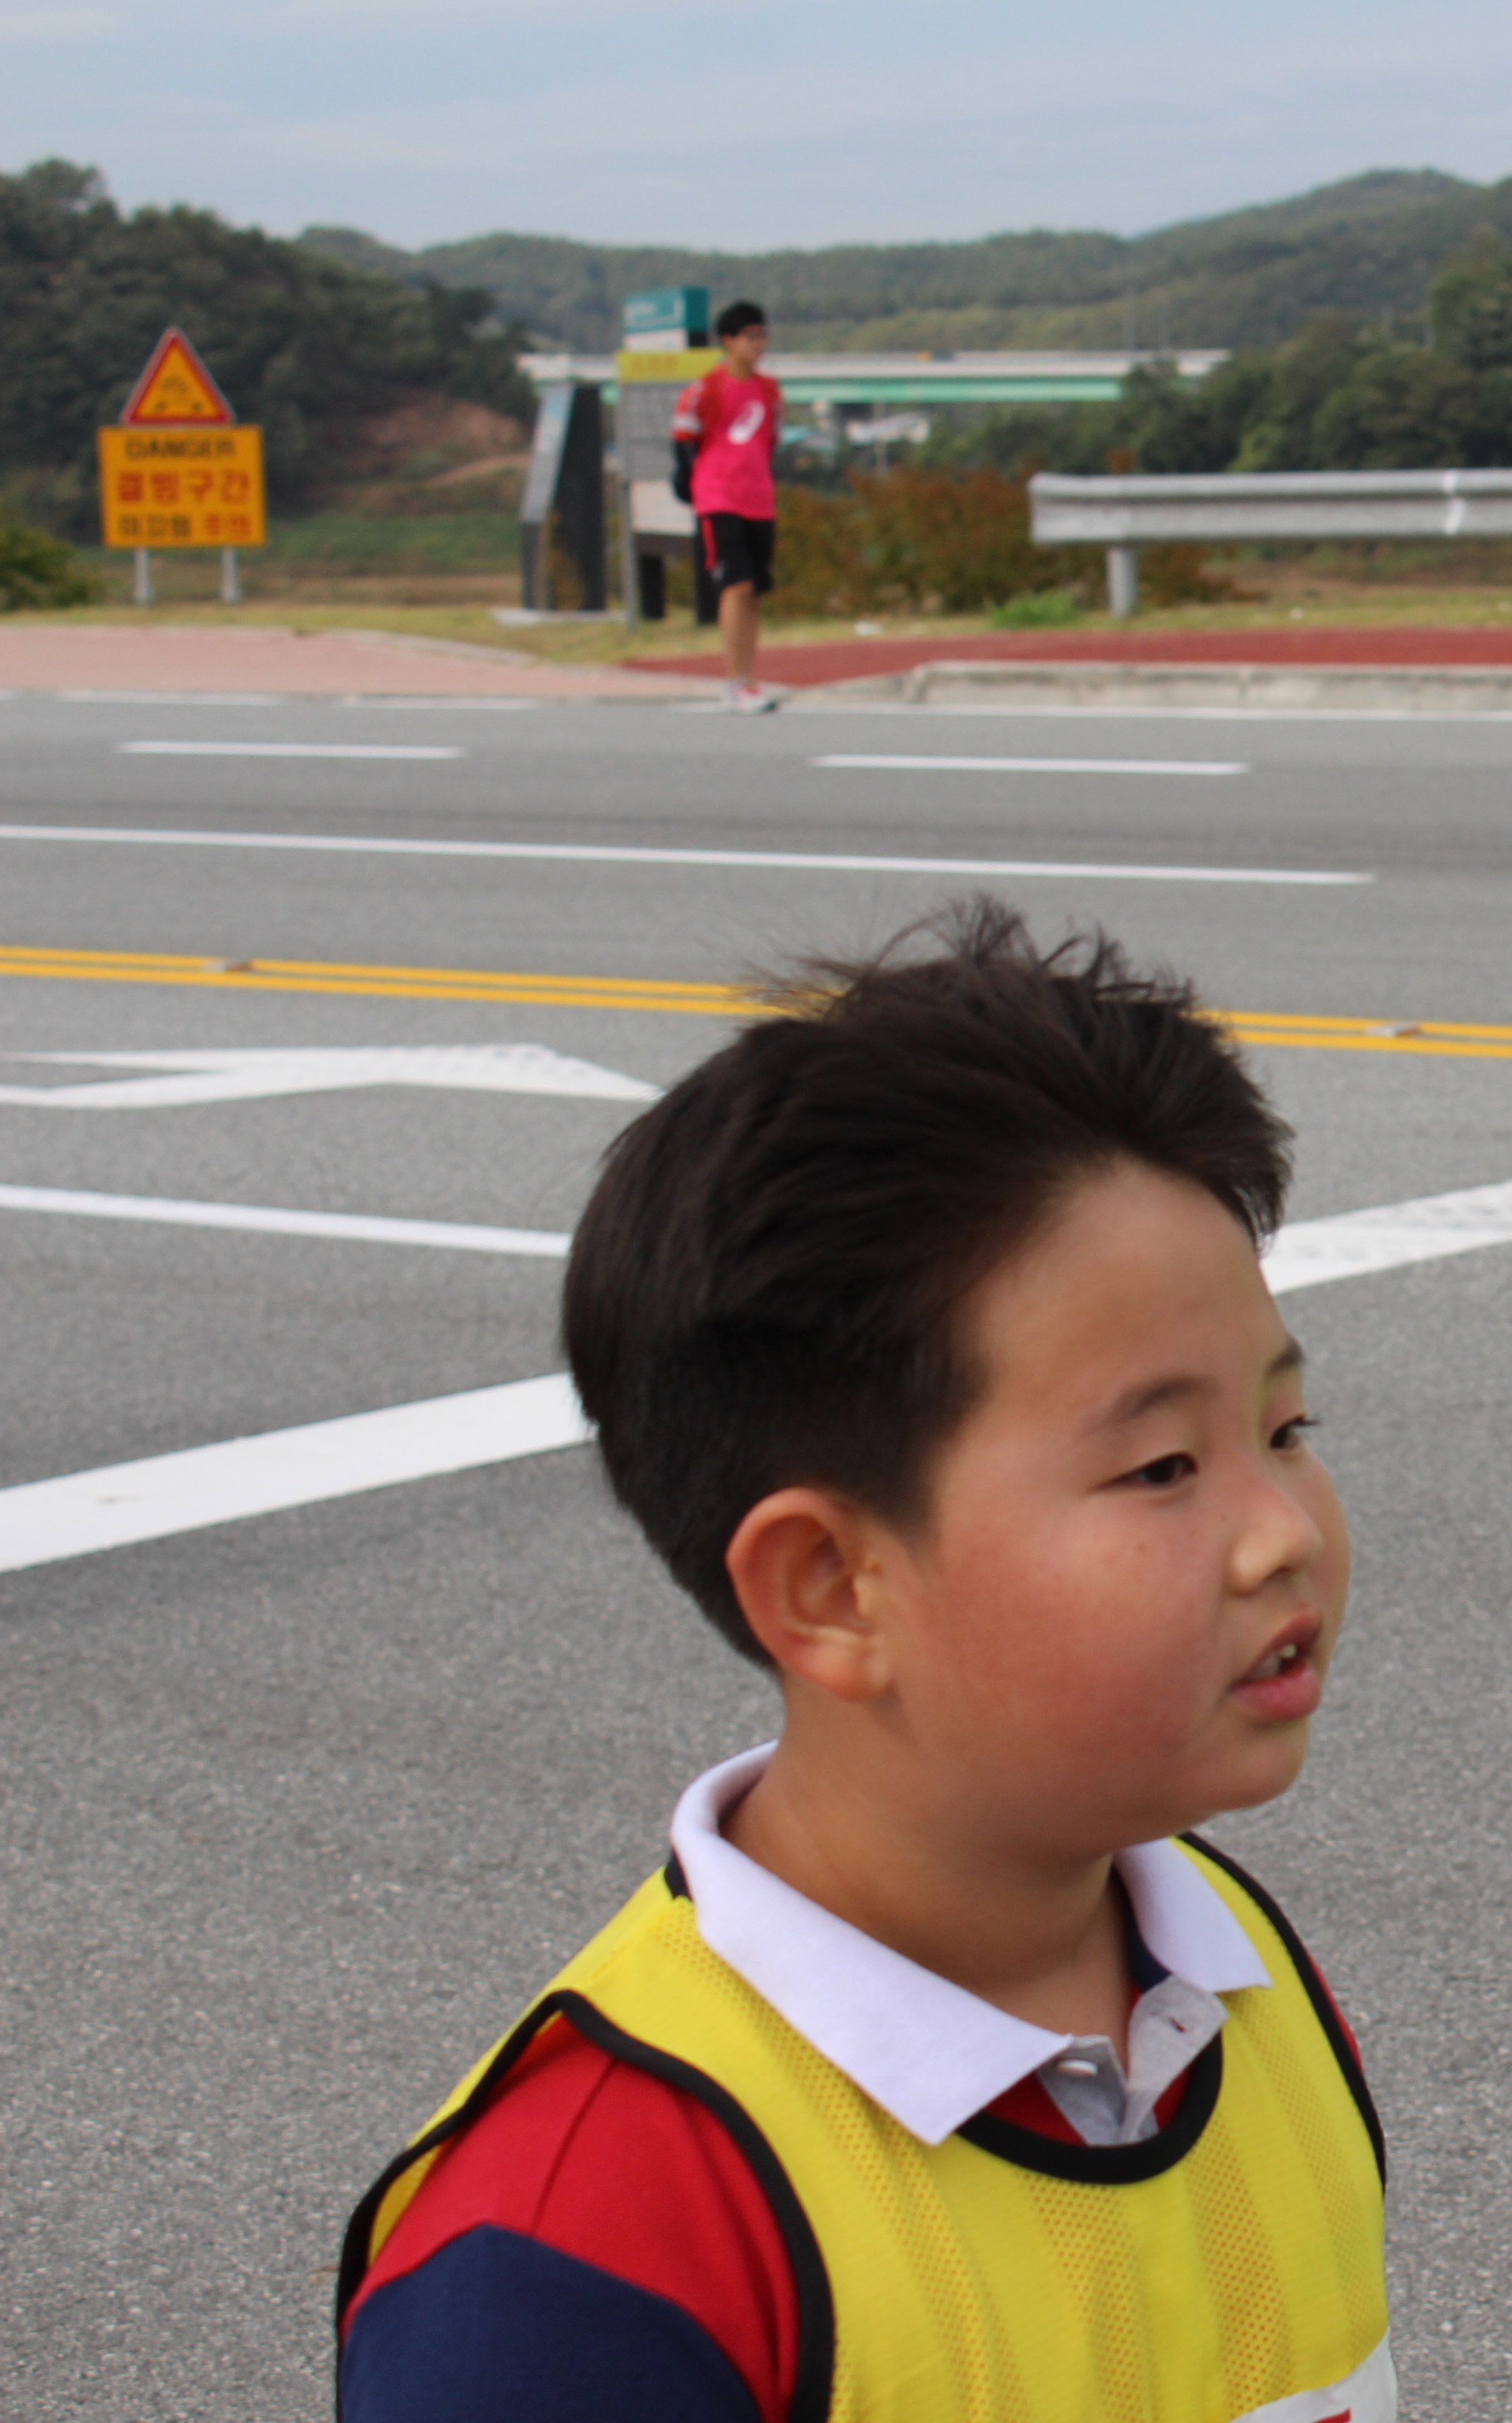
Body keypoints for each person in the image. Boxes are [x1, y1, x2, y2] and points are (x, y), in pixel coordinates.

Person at [334, 899, 1390, 2423]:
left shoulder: (1239, 1975)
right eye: (1162, 1466)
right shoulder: (579, 2258)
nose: (1280, 1532)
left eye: (1286, 1429)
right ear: (829, 1588)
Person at [674, 300, 783, 713]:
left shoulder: (769, 391)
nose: (758, 345)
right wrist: (693, 485)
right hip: (719, 496)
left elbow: (769, 441)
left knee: (754, 591)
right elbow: (684, 440)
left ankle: (750, 678)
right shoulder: (706, 389)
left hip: (759, 499)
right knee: (735, 586)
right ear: (728, 341)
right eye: (750, 337)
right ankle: (736, 681)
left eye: (762, 336)